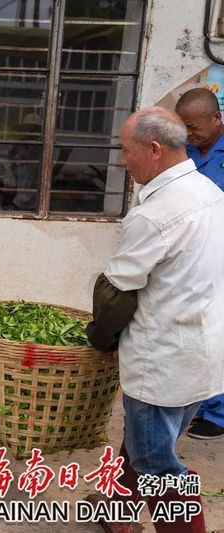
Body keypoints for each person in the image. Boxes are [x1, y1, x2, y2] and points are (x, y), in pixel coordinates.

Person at [85, 107, 222, 532]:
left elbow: (117, 291)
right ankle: (115, 516)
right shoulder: (209, 193)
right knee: (144, 443)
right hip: (205, 354)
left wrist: (99, 339)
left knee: (156, 465)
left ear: (155, 149)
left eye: (126, 152)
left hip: (161, 361)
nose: (123, 162)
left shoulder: (153, 215)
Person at [175, 87, 224, 440]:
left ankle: (218, 414)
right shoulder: (186, 153)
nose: (190, 135)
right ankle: (200, 404)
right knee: (197, 332)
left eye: (194, 127)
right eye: (184, 128)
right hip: (193, 256)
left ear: (217, 118)